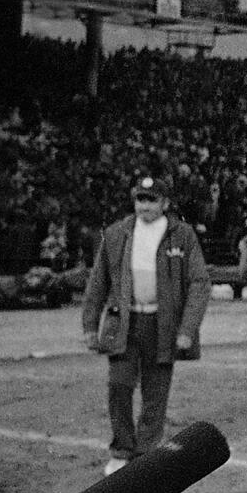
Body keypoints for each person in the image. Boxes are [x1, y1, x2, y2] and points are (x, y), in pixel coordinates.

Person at [80, 175, 210, 475]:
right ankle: (122, 448)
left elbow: (199, 283)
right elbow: (98, 282)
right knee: (119, 384)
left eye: (151, 200)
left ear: (165, 203)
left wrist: (187, 329)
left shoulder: (182, 235)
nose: (145, 206)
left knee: (156, 390)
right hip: (124, 322)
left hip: (162, 324)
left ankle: (146, 453)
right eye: (140, 199)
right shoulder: (116, 234)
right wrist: (89, 324)